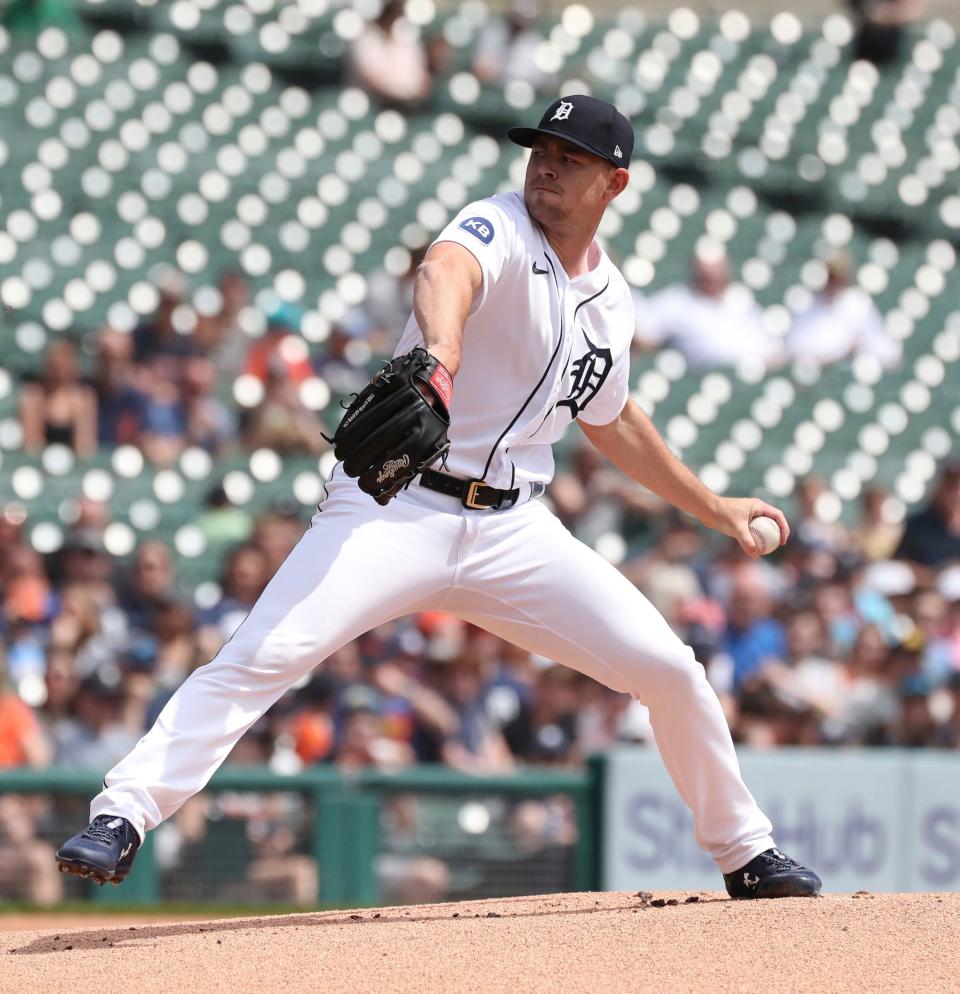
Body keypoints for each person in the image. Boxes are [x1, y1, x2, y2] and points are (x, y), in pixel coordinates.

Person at [56, 95, 820, 900]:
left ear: (615, 184)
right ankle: (123, 814)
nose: (546, 166)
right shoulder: (496, 223)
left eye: (570, 158)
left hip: (514, 530)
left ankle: (746, 852)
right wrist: (441, 356)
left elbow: (613, 417)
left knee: (669, 668)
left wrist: (714, 507)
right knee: (267, 652)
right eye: (541, 150)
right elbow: (444, 271)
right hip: (397, 506)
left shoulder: (614, 301)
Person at [634, 249, 781, 369]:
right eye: (706, 274)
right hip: (697, 377)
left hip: (749, 376)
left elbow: (772, 352)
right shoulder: (678, 301)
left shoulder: (741, 301)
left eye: (717, 272)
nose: (712, 277)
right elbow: (645, 333)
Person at [785, 255, 900, 369]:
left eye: (837, 278)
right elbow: (794, 347)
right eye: (830, 277)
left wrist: (859, 348)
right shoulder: (805, 303)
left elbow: (886, 350)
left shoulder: (858, 303)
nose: (833, 283)